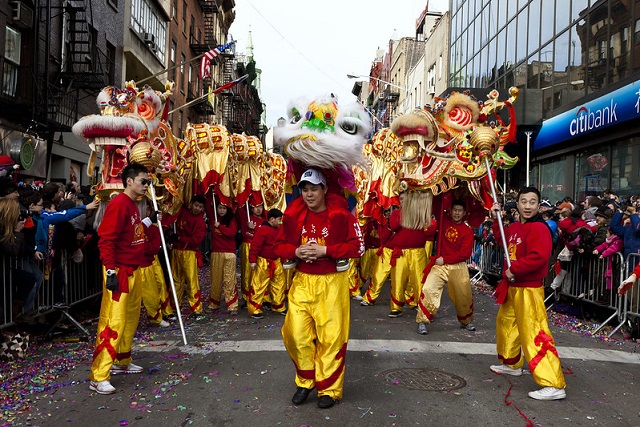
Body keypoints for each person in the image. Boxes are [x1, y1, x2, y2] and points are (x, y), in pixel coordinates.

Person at [274, 168, 364, 409]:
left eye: (314, 189)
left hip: (332, 282)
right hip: (303, 280)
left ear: (325, 190)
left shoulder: (342, 216)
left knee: (331, 338)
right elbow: (279, 246)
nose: (309, 194)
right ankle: (306, 381)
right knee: (295, 334)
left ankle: (329, 388)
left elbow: (358, 248)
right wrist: (296, 251)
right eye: (305, 189)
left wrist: (327, 251)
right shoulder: (293, 217)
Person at [489, 186, 567, 401]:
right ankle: (512, 363)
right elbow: (500, 240)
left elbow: (539, 257)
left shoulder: (540, 229)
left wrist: (515, 269)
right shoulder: (514, 226)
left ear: (539, 205)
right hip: (513, 286)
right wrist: (496, 217)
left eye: (532, 202)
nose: (527, 206)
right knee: (506, 323)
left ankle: (552, 383)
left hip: (529, 288)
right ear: (518, 203)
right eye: (524, 201)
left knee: (534, 332)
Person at [88, 162, 158, 395]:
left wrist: (149, 221)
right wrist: (110, 271)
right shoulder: (119, 203)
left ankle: (122, 359)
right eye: (143, 181)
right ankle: (99, 375)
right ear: (129, 181)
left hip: (133, 269)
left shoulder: (132, 204)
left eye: (147, 181)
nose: (146, 185)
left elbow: (132, 233)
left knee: (129, 318)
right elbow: (106, 238)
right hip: (119, 271)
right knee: (113, 322)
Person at [416, 199, 475, 334]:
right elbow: (436, 204)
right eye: (455, 210)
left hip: (458, 266)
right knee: (428, 288)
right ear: (450, 211)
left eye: (460, 211)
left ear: (464, 213)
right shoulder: (443, 221)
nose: (457, 213)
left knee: (463, 296)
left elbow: (464, 254)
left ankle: (466, 321)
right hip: (440, 265)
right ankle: (422, 321)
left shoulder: (468, 232)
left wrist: (446, 259)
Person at [167, 195, 207, 320]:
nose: (197, 208)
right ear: (191, 204)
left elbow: (195, 241)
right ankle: (174, 307)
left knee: (191, 281)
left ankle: (196, 309)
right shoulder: (182, 211)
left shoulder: (200, 222)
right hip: (177, 251)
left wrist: (179, 238)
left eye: (200, 207)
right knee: (175, 280)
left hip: (190, 253)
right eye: (196, 205)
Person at [247, 208, 286, 318]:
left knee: (279, 283)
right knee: (259, 285)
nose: (281, 222)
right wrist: (253, 260)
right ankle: (254, 309)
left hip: (276, 261)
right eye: (279, 219)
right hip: (263, 262)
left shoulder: (278, 229)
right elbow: (255, 246)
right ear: (272, 219)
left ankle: (278, 306)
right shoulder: (262, 230)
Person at [208, 202, 239, 315]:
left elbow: (231, 233)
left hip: (229, 253)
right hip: (216, 253)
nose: (221, 210)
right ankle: (214, 303)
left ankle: (232, 306)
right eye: (219, 208)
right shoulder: (213, 218)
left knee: (229, 279)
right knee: (215, 279)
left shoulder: (232, 220)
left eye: (224, 208)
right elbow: (208, 203)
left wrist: (219, 226)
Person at [238, 201, 267, 308]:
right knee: (247, 272)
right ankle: (246, 298)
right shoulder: (247, 219)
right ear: (251, 208)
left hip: (260, 249)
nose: (258, 209)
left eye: (260, 207)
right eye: (255, 207)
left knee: (259, 273)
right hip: (247, 247)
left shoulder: (265, 221)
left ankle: (261, 297)